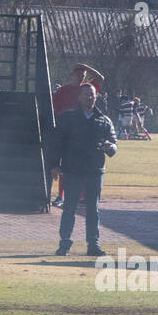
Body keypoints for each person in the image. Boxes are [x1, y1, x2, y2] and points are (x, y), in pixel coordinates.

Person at [45, 82, 116, 257]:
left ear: (96, 97)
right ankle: (64, 244)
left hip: (94, 171)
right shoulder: (67, 117)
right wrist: (54, 165)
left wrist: (110, 147)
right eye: (86, 95)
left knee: (93, 210)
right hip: (73, 170)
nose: (89, 98)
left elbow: (114, 145)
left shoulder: (104, 120)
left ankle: (93, 245)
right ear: (79, 97)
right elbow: (56, 143)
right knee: (69, 209)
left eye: (92, 95)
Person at [50, 63, 103, 207]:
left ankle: (83, 197)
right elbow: (53, 107)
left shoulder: (85, 89)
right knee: (65, 164)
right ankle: (61, 196)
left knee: (84, 163)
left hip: (83, 131)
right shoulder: (63, 90)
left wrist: (86, 66)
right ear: (73, 74)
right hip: (66, 129)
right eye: (79, 73)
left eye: (83, 75)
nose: (81, 76)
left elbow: (100, 78)